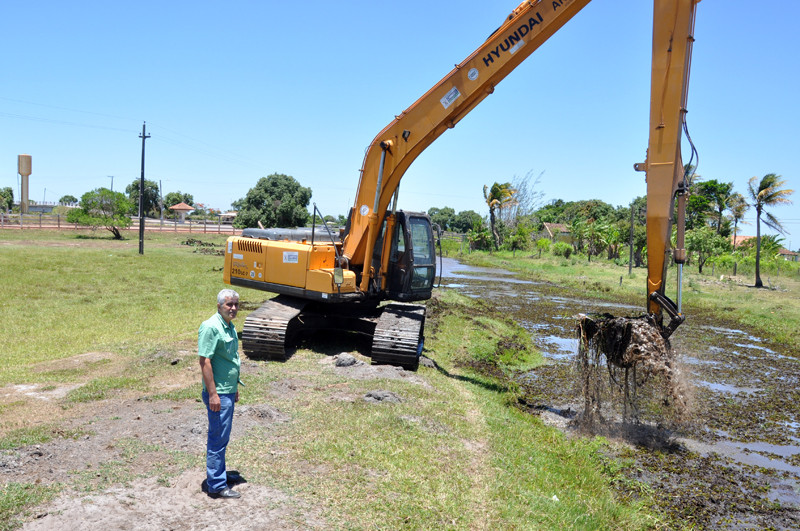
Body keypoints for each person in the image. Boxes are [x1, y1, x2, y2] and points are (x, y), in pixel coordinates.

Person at [198, 288, 242, 499]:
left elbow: (229, 359)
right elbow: (204, 361)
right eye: (228, 304)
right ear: (219, 306)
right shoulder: (211, 327)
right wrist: (214, 394)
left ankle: (220, 475)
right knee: (217, 438)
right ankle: (216, 485)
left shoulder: (229, 326)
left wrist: (234, 389)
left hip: (227, 391)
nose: (233, 308)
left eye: (235, 304)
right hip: (219, 394)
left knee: (222, 438)